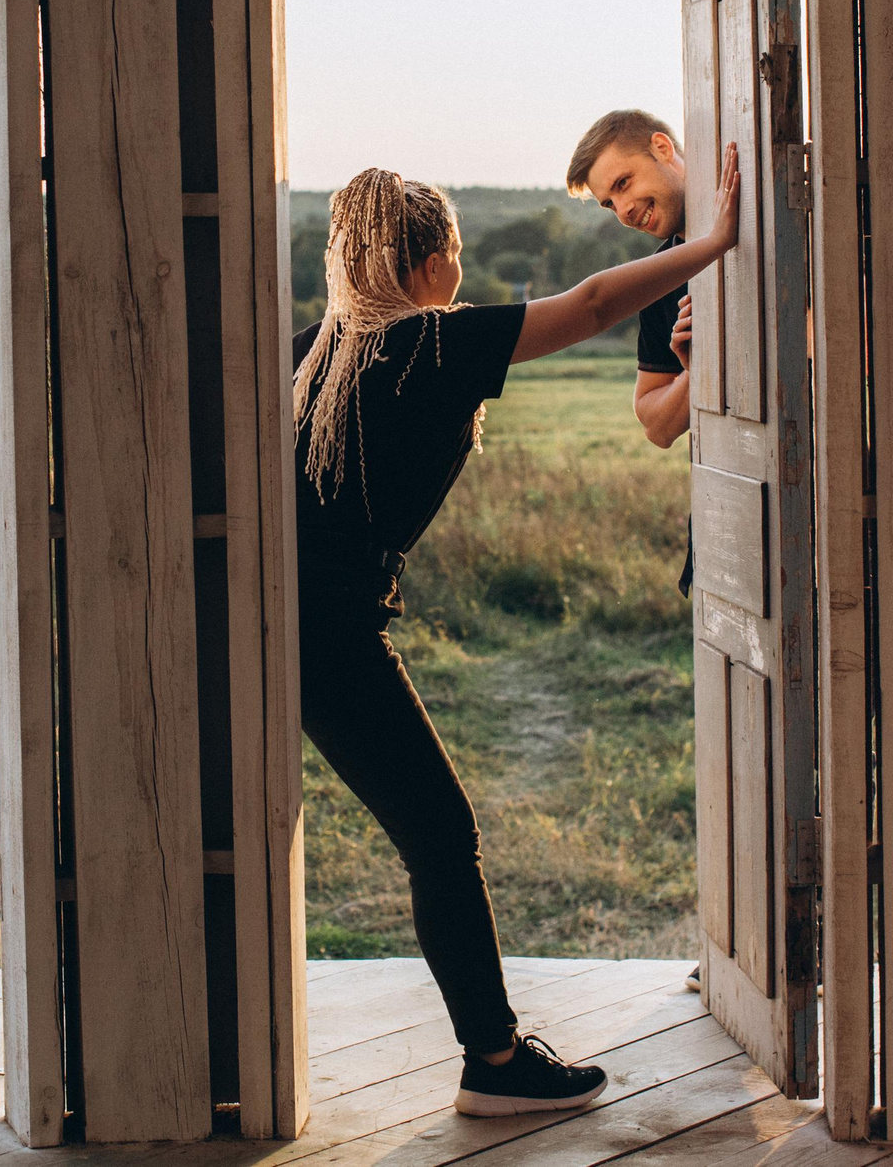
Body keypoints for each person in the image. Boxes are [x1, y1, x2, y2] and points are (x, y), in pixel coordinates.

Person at [292, 148, 739, 1116]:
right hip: (326, 637)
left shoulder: (317, 348)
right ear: (431, 263)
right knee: (442, 835)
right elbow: (591, 304)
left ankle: (487, 1057)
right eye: (454, 255)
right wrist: (712, 245)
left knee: (418, 832)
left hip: (271, 625)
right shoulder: (427, 342)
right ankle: (493, 1064)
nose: (459, 273)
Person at [564, 108, 700, 995]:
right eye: (610, 204)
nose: (625, 209)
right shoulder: (663, 276)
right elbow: (655, 421)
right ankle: (749, 944)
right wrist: (701, 367)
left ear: (662, 147)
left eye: (625, 184)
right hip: (728, 522)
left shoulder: (771, 223)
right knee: (735, 740)